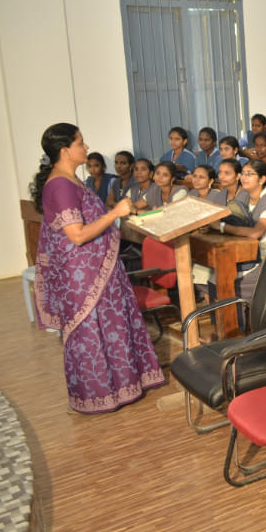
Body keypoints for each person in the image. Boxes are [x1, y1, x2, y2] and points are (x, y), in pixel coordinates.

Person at [32, 122, 163, 413]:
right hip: (83, 278)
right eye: (80, 143)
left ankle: (121, 388)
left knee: (111, 330)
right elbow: (77, 234)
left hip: (97, 271)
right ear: (65, 151)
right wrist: (116, 212)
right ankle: (99, 395)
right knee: (93, 335)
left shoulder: (71, 180)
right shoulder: (60, 185)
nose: (86, 147)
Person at [218, 159, 266, 301]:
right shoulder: (243, 196)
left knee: (230, 285)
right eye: (243, 174)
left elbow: (256, 233)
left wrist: (222, 227)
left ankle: (241, 322)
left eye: (249, 174)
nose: (244, 178)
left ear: (262, 179)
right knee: (217, 276)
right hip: (247, 253)